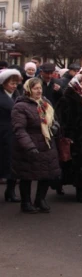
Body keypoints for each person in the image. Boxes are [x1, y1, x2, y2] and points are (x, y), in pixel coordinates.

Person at [11, 77, 62, 213]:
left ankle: (40, 199)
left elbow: (53, 119)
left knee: (46, 173)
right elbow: (19, 129)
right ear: (28, 90)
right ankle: (26, 202)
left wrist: (55, 126)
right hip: (29, 145)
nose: (39, 91)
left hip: (46, 144)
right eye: (35, 88)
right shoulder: (20, 106)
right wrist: (28, 145)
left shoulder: (45, 103)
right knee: (26, 175)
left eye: (40, 88)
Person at [54, 74, 82, 203]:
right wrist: (67, 136)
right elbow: (62, 119)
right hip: (72, 139)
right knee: (67, 163)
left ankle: (81, 192)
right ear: (75, 85)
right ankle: (59, 185)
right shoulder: (67, 99)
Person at [1, 69, 22, 203]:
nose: (14, 86)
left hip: (14, 133)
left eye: (16, 83)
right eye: (11, 83)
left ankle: (11, 190)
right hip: (2, 132)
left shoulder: (17, 95)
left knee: (14, 163)